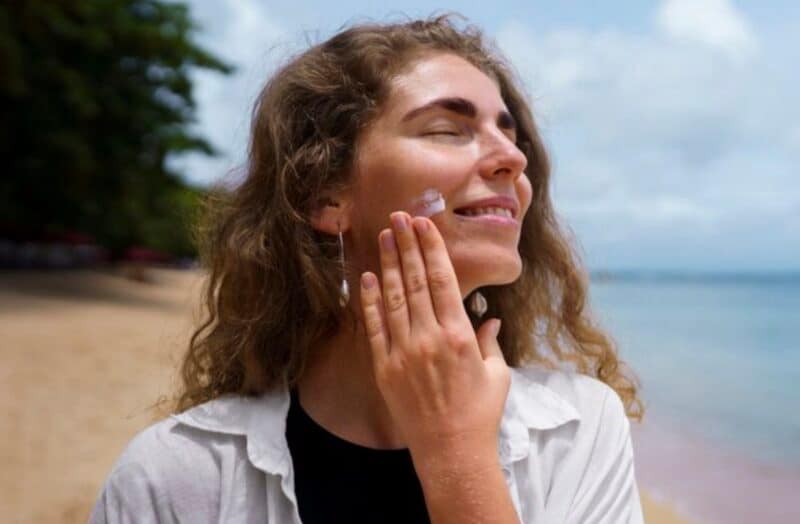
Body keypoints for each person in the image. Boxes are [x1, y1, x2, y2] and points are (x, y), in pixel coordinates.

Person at [90, 14, 645, 524]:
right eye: (448, 130)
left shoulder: (578, 431)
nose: (514, 158)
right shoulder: (177, 474)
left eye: (512, 135)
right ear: (325, 195)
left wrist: (456, 456)